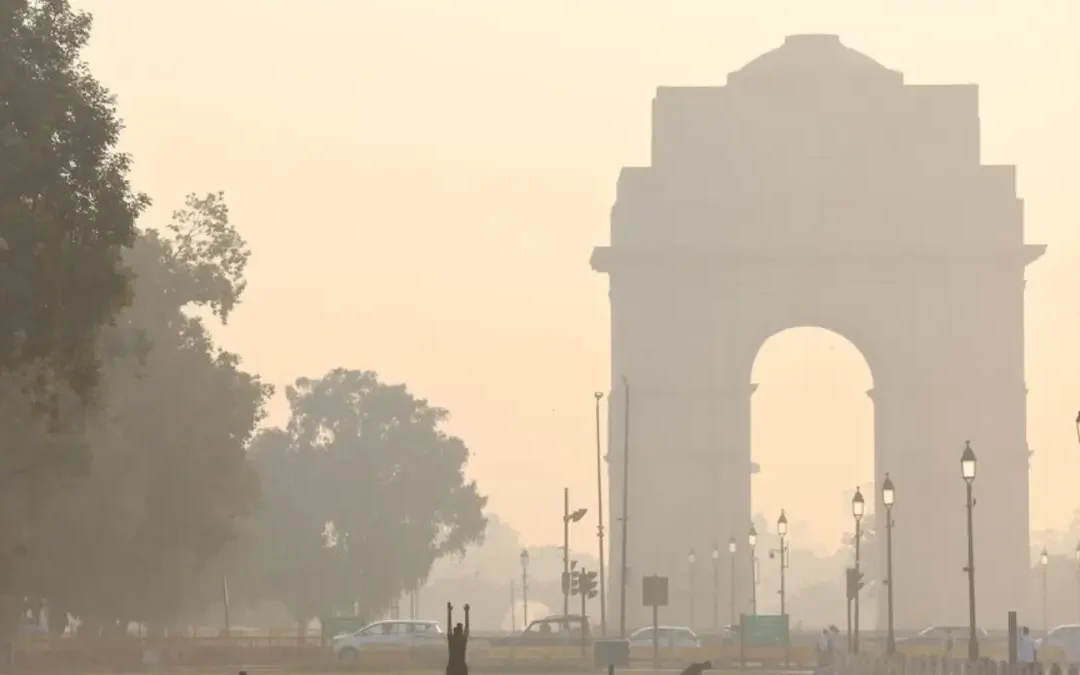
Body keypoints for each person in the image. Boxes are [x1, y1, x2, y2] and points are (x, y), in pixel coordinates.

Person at [446, 602, 471, 675]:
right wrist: (467, 612)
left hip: (452, 666)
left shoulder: (452, 639)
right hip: (461, 667)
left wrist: (449, 611)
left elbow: (449, 626)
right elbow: (467, 627)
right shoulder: (463, 639)